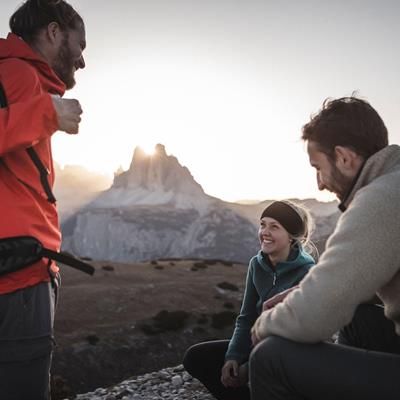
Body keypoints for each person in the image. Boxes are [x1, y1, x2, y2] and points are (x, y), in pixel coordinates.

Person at [249, 96, 400, 400]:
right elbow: (355, 281)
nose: (318, 183)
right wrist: (303, 291)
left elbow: (313, 318)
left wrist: (262, 326)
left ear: (344, 157)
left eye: (318, 167)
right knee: (357, 315)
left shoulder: (381, 199)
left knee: (269, 357)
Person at [0, 1, 86, 399]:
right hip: (15, 274)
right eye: (79, 44)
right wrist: (46, 113)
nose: (82, 61)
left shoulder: (21, 76)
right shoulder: (13, 72)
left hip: (26, 267)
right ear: (54, 32)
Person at [183, 200, 316, 400]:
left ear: (291, 237)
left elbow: (294, 337)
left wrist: (248, 368)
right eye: (263, 224)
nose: (265, 232)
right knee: (195, 357)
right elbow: (246, 318)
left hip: (288, 353)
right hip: (258, 344)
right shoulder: (257, 264)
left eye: (274, 227)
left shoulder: (307, 272)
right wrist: (233, 357)